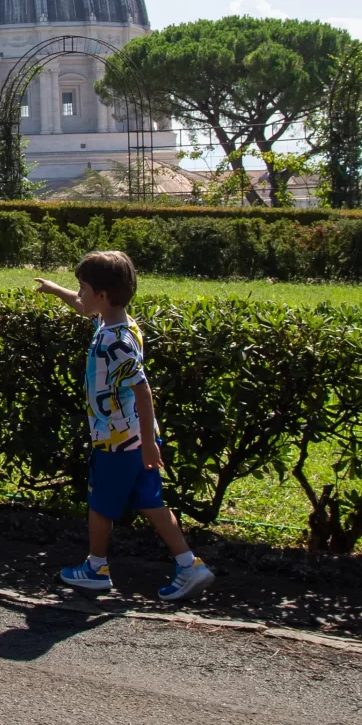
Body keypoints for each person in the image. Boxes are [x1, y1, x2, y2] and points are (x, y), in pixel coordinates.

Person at [35, 249, 213, 601]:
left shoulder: (115, 341)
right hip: (134, 438)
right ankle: (189, 564)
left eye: (82, 287)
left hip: (115, 441)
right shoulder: (117, 324)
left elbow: (143, 390)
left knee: (100, 504)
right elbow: (83, 307)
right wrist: (57, 290)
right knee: (150, 502)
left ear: (102, 295)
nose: (79, 294)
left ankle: (96, 568)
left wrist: (148, 443)